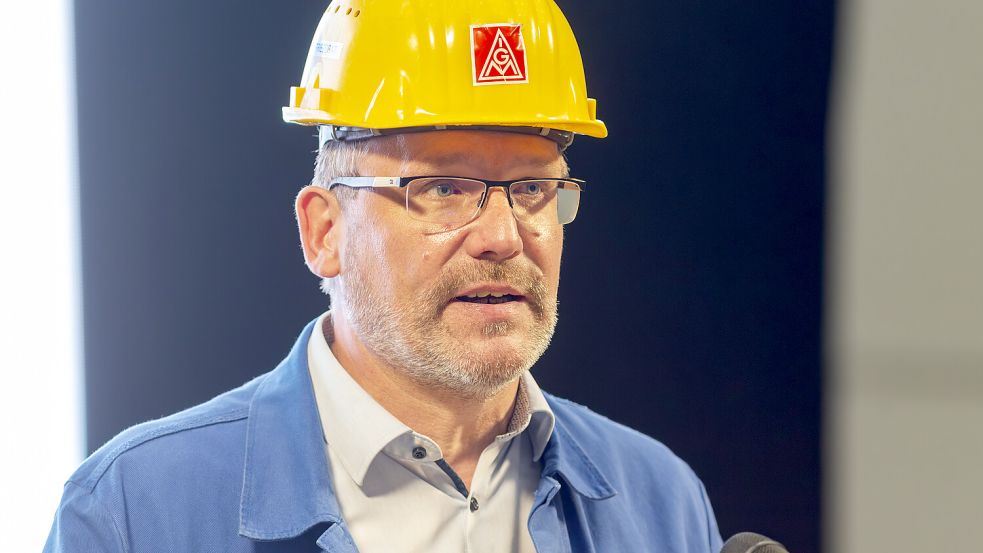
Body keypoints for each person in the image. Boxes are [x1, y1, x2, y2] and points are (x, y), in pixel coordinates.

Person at [46, 1, 724, 551]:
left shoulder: (654, 497)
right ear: (324, 231)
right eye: (444, 188)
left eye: (531, 190)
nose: (501, 236)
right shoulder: (138, 510)